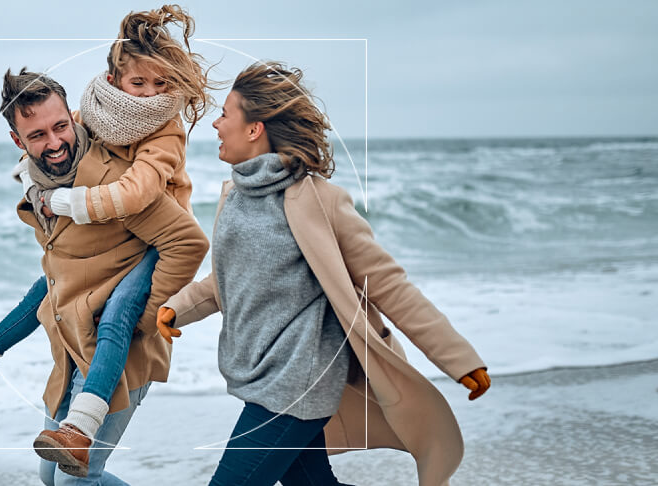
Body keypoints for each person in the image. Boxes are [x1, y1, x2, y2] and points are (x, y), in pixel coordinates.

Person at [0, 5, 212, 482]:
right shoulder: (52, 177)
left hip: (118, 352)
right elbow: (59, 266)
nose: (54, 141)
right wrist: (40, 194)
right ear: (17, 140)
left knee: (74, 481)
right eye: (37, 134)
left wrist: (146, 315)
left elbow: (188, 242)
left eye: (60, 127)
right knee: (52, 479)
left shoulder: (119, 178)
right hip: (73, 342)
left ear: (74, 119)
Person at [157, 62, 491, 486]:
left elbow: (388, 284)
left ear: (255, 128)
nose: (216, 123)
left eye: (225, 113)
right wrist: (177, 308)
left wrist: (458, 359)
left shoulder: (318, 201)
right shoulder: (235, 196)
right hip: (258, 374)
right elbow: (225, 282)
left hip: (301, 379)